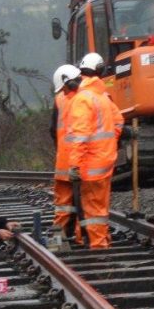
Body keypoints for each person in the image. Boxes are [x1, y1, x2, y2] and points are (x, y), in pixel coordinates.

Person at [66, 52, 124, 248]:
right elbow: (118, 122)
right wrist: (108, 146)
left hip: (90, 164)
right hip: (106, 161)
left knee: (91, 207)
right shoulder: (103, 96)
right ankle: (90, 238)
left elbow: (80, 136)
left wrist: (74, 165)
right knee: (99, 205)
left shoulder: (83, 98)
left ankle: (98, 245)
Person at [49, 64, 83, 239]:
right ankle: (79, 237)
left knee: (63, 204)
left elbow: (52, 130)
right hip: (81, 162)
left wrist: (61, 151)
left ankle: (58, 236)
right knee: (82, 202)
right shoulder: (86, 98)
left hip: (63, 162)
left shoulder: (59, 99)